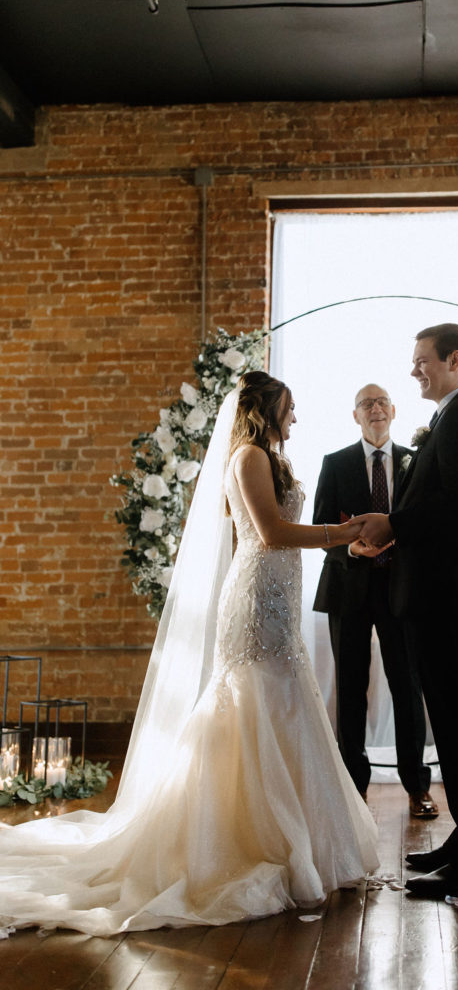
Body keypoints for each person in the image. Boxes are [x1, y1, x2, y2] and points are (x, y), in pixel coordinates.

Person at [0, 372, 378, 936]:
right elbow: (271, 533)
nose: (295, 417)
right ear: (265, 409)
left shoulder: (270, 457)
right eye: (289, 408)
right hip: (255, 601)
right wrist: (338, 535)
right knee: (253, 700)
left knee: (287, 701)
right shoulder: (248, 455)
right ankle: (237, 840)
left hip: (277, 597)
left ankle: (305, 840)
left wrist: (335, 537)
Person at [354, 324, 458, 901]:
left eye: (423, 360)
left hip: (453, 602)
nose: (414, 369)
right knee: (456, 732)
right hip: (442, 600)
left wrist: (393, 523)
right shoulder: (451, 417)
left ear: (455, 359)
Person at [312, 384, 436, 818]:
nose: (376, 409)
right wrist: (349, 549)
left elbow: (424, 523)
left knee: (408, 687)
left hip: (402, 591)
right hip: (349, 590)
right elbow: (322, 529)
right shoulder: (336, 463)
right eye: (367, 403)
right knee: (350, 691)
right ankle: (353, 789)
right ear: (355, 416)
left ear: (394, 411)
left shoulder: (415, 461)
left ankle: (418, 787)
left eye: (382, 402)